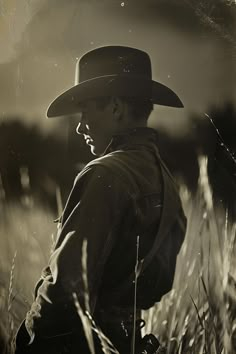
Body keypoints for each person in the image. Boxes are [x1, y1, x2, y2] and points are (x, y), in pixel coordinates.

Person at [15, 46, 186, 354]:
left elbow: (65, 292)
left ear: (116, 107)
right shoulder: (165, 179)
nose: (80, 126)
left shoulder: (104, 173)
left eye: (86, 111)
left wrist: (27, 344)